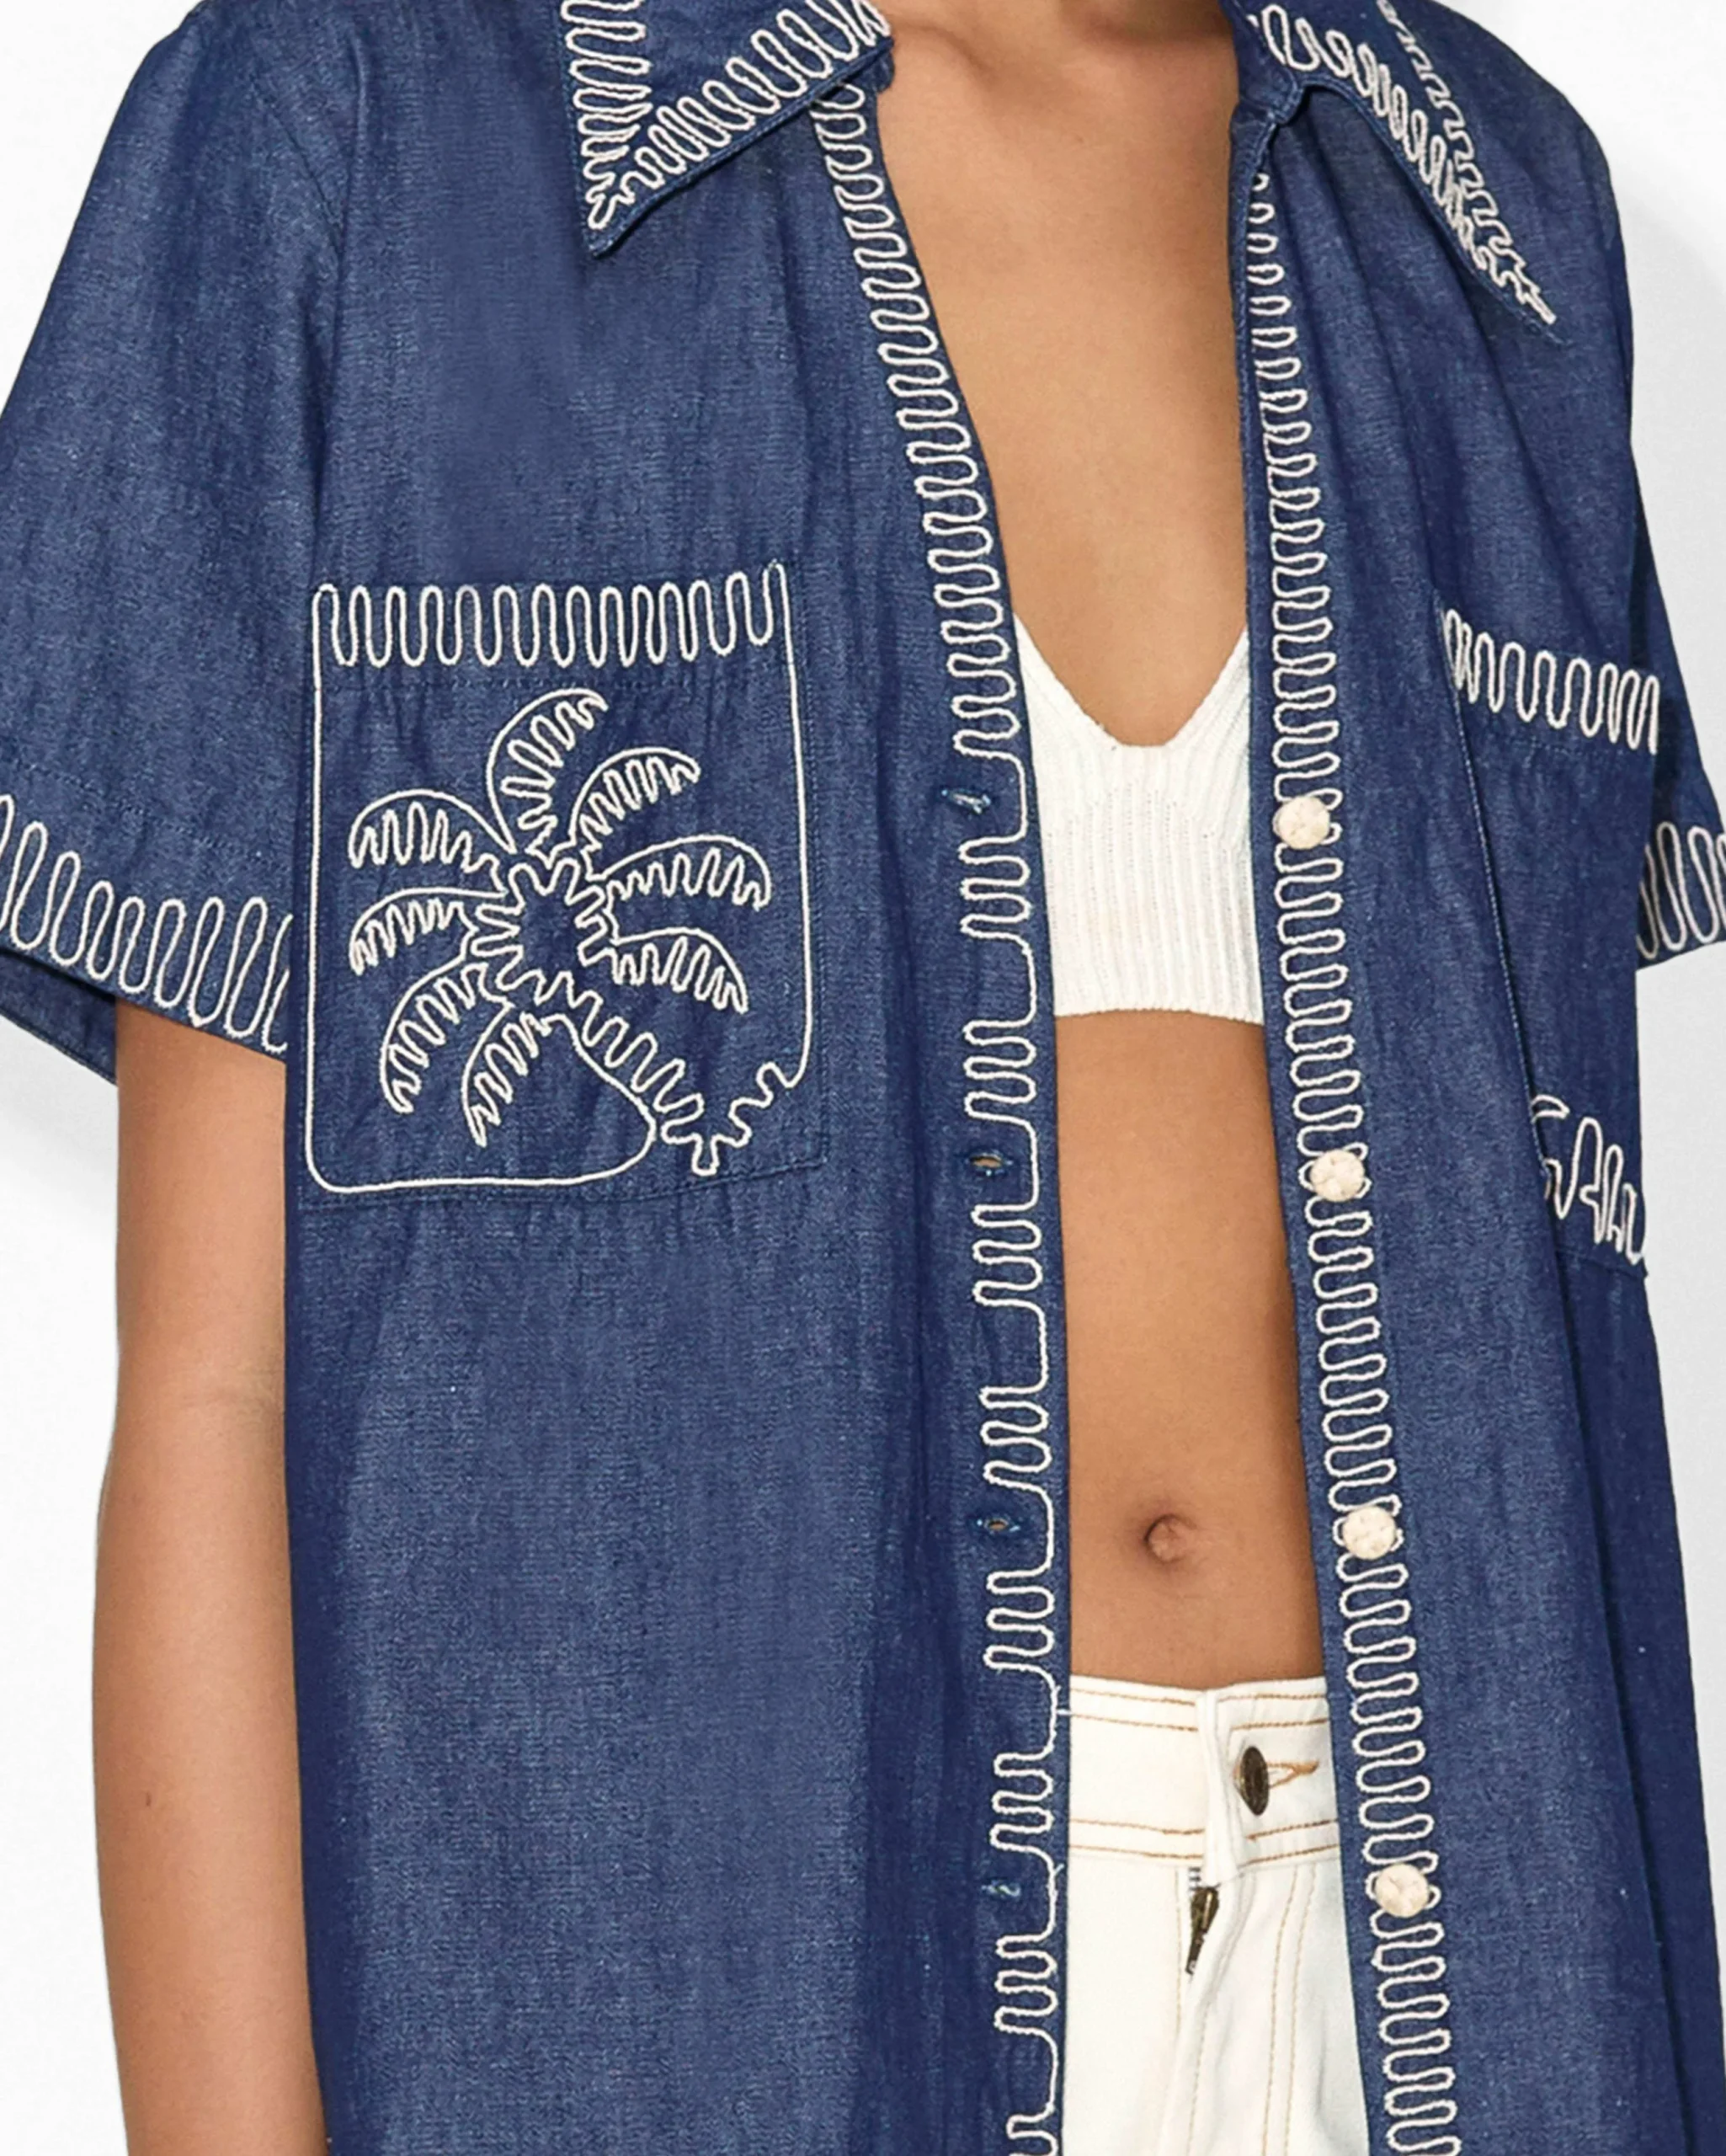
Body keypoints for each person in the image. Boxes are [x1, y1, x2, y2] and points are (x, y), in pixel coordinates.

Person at [0, 0, 1721, 2150]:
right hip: (709, 1992)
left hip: (1451, 1977)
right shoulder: (349, 117)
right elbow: (212, 1393)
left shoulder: (1480, 196)